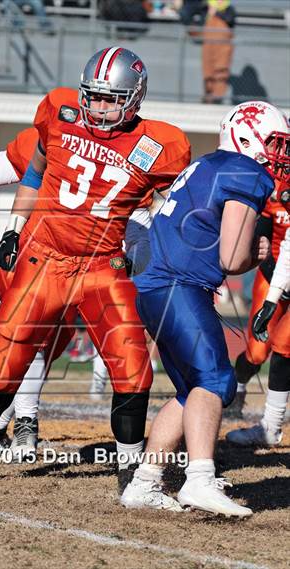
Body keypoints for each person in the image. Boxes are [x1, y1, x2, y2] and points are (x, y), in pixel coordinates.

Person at [0, 47, 191, 486]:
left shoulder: (159, 145)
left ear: (135, 98)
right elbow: (31, 170)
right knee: (7, 353)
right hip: (45, 257)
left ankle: (130, 467)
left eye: (111, 99)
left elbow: (172, 209)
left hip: (103, 266)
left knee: (131, 363)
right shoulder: (60, 114)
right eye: (94, 96)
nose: (99, 106)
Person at [121, 100, 289, 517]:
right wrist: (256, 254)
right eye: (275, 143)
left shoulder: (209, 164)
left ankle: (145, 482)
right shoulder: (245, 171)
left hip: (155, 287)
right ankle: (199, 479)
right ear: (246, 136)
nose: (280, 154)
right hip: (180, 286)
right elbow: (233, 259)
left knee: (190, 389)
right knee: (215, 381)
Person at [227, 183, 289, 447]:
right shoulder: (274, 187)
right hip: (276, 271)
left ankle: (271, 426)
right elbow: (270, 242)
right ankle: (239, 388)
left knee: (284, 342)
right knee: (258, 351)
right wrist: (278, 287)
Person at [202, 0, 235, 104]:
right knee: (208, 69)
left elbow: (230, 20)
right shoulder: (206, 6)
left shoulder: (229, 9)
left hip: (223, 46)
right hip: (208, 45)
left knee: (221, 70)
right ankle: (208, 95)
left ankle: (217, 97)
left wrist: (216, 13)